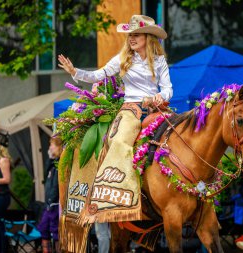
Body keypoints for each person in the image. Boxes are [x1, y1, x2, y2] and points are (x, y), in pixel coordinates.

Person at [59, 14, 172, 252]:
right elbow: (97, 75)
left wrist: (161, 97)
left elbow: (168, 88)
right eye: (130, 35)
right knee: (118, 141)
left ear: (148, 37)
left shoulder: (159, 60)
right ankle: (119, 193)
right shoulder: (122, 59)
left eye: (136, 35)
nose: (131, 39)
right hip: (130, 109)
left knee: (174, 140)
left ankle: (171, 189)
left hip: (155, 109)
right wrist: (74, 72)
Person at [38, 137, 62, 253]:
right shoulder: (53, 163)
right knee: (43, 228)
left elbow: (57, 185)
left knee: (56, 232)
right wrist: (50, 158)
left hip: (55, 203)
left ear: (59, 147)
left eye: (52, 145)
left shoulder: (60, 163)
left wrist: (53, 200)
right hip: (48, 202)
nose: (50, 148)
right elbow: (44, 174)